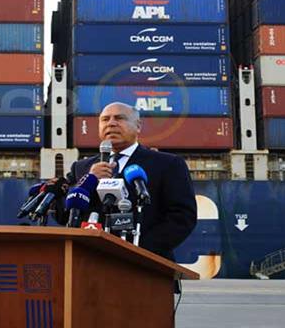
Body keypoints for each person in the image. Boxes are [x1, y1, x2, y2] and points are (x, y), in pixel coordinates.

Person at [66, 102, 197, 261]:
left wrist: (134, 250)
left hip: (145, 263)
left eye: (119, 118)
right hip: (90, 261)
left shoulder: (168, 164)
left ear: (138, 126)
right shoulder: (81, 168)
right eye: (105, 119)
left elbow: (182, 217)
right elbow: (64, 214)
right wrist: (89, 180)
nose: (111, 123)